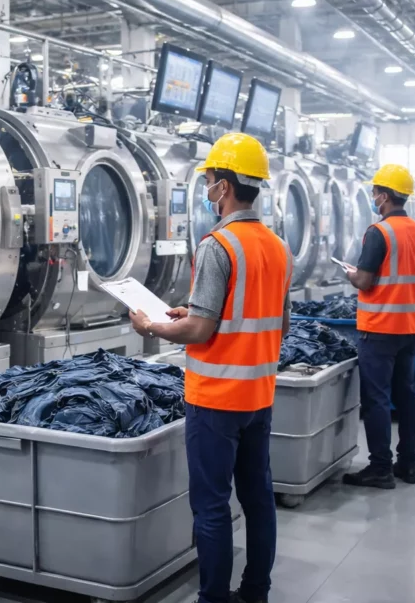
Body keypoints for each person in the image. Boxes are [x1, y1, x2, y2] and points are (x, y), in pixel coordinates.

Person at [129, 133, 292, 603]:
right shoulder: (279, 248)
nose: (206, 187)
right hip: (259, 395)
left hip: (217, 399)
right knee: (258, 501)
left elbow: (201, 332)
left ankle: (213, 598)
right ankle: (255, 591)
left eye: (209, 180)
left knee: (212, 506)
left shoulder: (217, 246)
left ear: (224, 186)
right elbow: (273, 322)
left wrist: (153, 325)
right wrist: (192, 312)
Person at [343, 164, 415, 489]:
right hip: (410, 327)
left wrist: (350, 274)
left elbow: (364, 280)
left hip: (379, 328)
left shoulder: (378, 232)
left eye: (374, 192)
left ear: (383, 196)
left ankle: (380, 468)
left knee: (377, 399)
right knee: (407, 397)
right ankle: (408, 465)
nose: (372, 198)